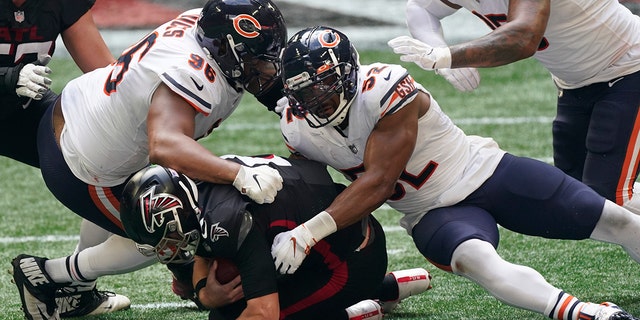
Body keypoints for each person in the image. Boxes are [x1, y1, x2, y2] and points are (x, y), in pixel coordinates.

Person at [271, 26, 640, 320]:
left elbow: (380, 182)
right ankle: (582, 313)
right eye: (305, 91)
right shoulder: (297, 125)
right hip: (431, 213)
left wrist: (308, 233)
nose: (317, 99)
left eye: (323, 85)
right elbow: (314, 190)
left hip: (485, 170)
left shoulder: (383, 87)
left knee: (618, 221)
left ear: (350, 73)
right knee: (480, 262)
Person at [10, 0, 288, 319]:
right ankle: (48, 274)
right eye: (256, 62)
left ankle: (77, 291)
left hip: (82, 111)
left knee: (142, 195)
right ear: (226, 52)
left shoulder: (208, 28)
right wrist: (237, 174)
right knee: (167, 229)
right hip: (84, 163)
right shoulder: (193, 71)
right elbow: (165, 146)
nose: (264, 69)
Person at [387, 0, 640, 215]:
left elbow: (524, 36)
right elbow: (420, 7)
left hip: (629, 66)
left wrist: (448, 56)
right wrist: (440, 51)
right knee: (579, 196)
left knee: (610, 198)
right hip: (575, 83)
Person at [119, 155, 432, 320]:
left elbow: (263, 314)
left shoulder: (230, 222)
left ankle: (352, 311)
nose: (166, 248)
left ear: (184, 212)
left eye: (167, 235)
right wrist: (204, 293)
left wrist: (206, 298)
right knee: (223, 301)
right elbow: (204, 243)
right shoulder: (201, 185)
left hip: (351, 260)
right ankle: (386, 290)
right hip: (309, 246)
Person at [1, 1, 135, 318]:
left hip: (22, 112)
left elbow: (105, 77)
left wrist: (146, 102)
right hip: (14, 94)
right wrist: (6, 76)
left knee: (113, 155)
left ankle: (76, 290)